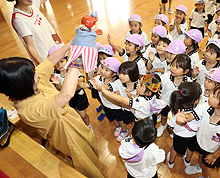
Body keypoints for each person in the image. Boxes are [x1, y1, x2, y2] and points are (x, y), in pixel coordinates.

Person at [0, 44, 102, 178]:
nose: (37, 74)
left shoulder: (32, 84)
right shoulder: (30, 111)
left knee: (90, 148)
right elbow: (66, 95)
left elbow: (50, 60)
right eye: (33, 74)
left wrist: (74, 42)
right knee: (86, 164)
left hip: (74, 123)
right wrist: (78, 59)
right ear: (23, 84)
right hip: (70, 138)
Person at [178, 83, 220, 178]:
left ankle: (205, 176)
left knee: (206, 166)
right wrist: (185, 118)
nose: (210, 96)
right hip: (200, 140)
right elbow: (194, 114)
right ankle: (198, 166)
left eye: (214, 96)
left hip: (211, 150)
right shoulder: (206, 107)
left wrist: (215, 156)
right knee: (200, 157)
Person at [4, 0, 66, 65]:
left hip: (55, 47)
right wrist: (43, 66)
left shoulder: (31, 5)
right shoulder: (19, 19)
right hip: (45, 58)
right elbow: (30, 46)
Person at [49, 46, 91, 128]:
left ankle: (89, 126)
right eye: (56, 63)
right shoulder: (55, 74)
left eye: (62, 61)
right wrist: (58, 84)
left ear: (67, 60)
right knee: (76, 115)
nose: (59, 65)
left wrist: (79, 82)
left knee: (83, 115)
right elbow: (60, 90)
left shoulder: (72, 69)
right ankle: (82, 127)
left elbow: (81, 78)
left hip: (78, 95)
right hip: (67, 99)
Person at [96, 73, 166, 122]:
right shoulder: (152, 96)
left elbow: (122, 100)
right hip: (149, 118)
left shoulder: (140, 102)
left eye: (141, 85)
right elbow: (139, 99)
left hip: (141, 122)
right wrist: (131, 96)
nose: (138, 85)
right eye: (140, 82)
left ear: (148, 93)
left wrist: (104, 91)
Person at [166, 82, 202, 168]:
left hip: (180, 137)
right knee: (191, 149)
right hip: (195, 136)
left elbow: (170, 126)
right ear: (196, 101)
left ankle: (171, 162)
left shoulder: (173, 112)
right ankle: (187, 160)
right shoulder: (199, 111)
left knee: (175, 149)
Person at [156, 54, 193, 137]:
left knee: (175, 118)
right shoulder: (165, 77)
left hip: (179, 106)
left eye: (178, 67)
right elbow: (159, 88)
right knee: (164, 115)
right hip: (165, 103)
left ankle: (173, 129)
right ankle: (162, 125)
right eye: (173, 65)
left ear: (186, 71)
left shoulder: (188, 82)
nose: (173, 69)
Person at [106, 61, 140, 142]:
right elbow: (110, 86)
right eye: (120, 73)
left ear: (132, 74)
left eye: (124, 74)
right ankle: (125, 131)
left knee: (136, 124)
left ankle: (134, 135)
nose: (120, 76)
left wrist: (132, 96)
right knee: (125, 120)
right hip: (125, 109)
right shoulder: (119, 82)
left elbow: (141, 99)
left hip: (137, 111)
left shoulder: (139, 85)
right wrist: (103, 87)